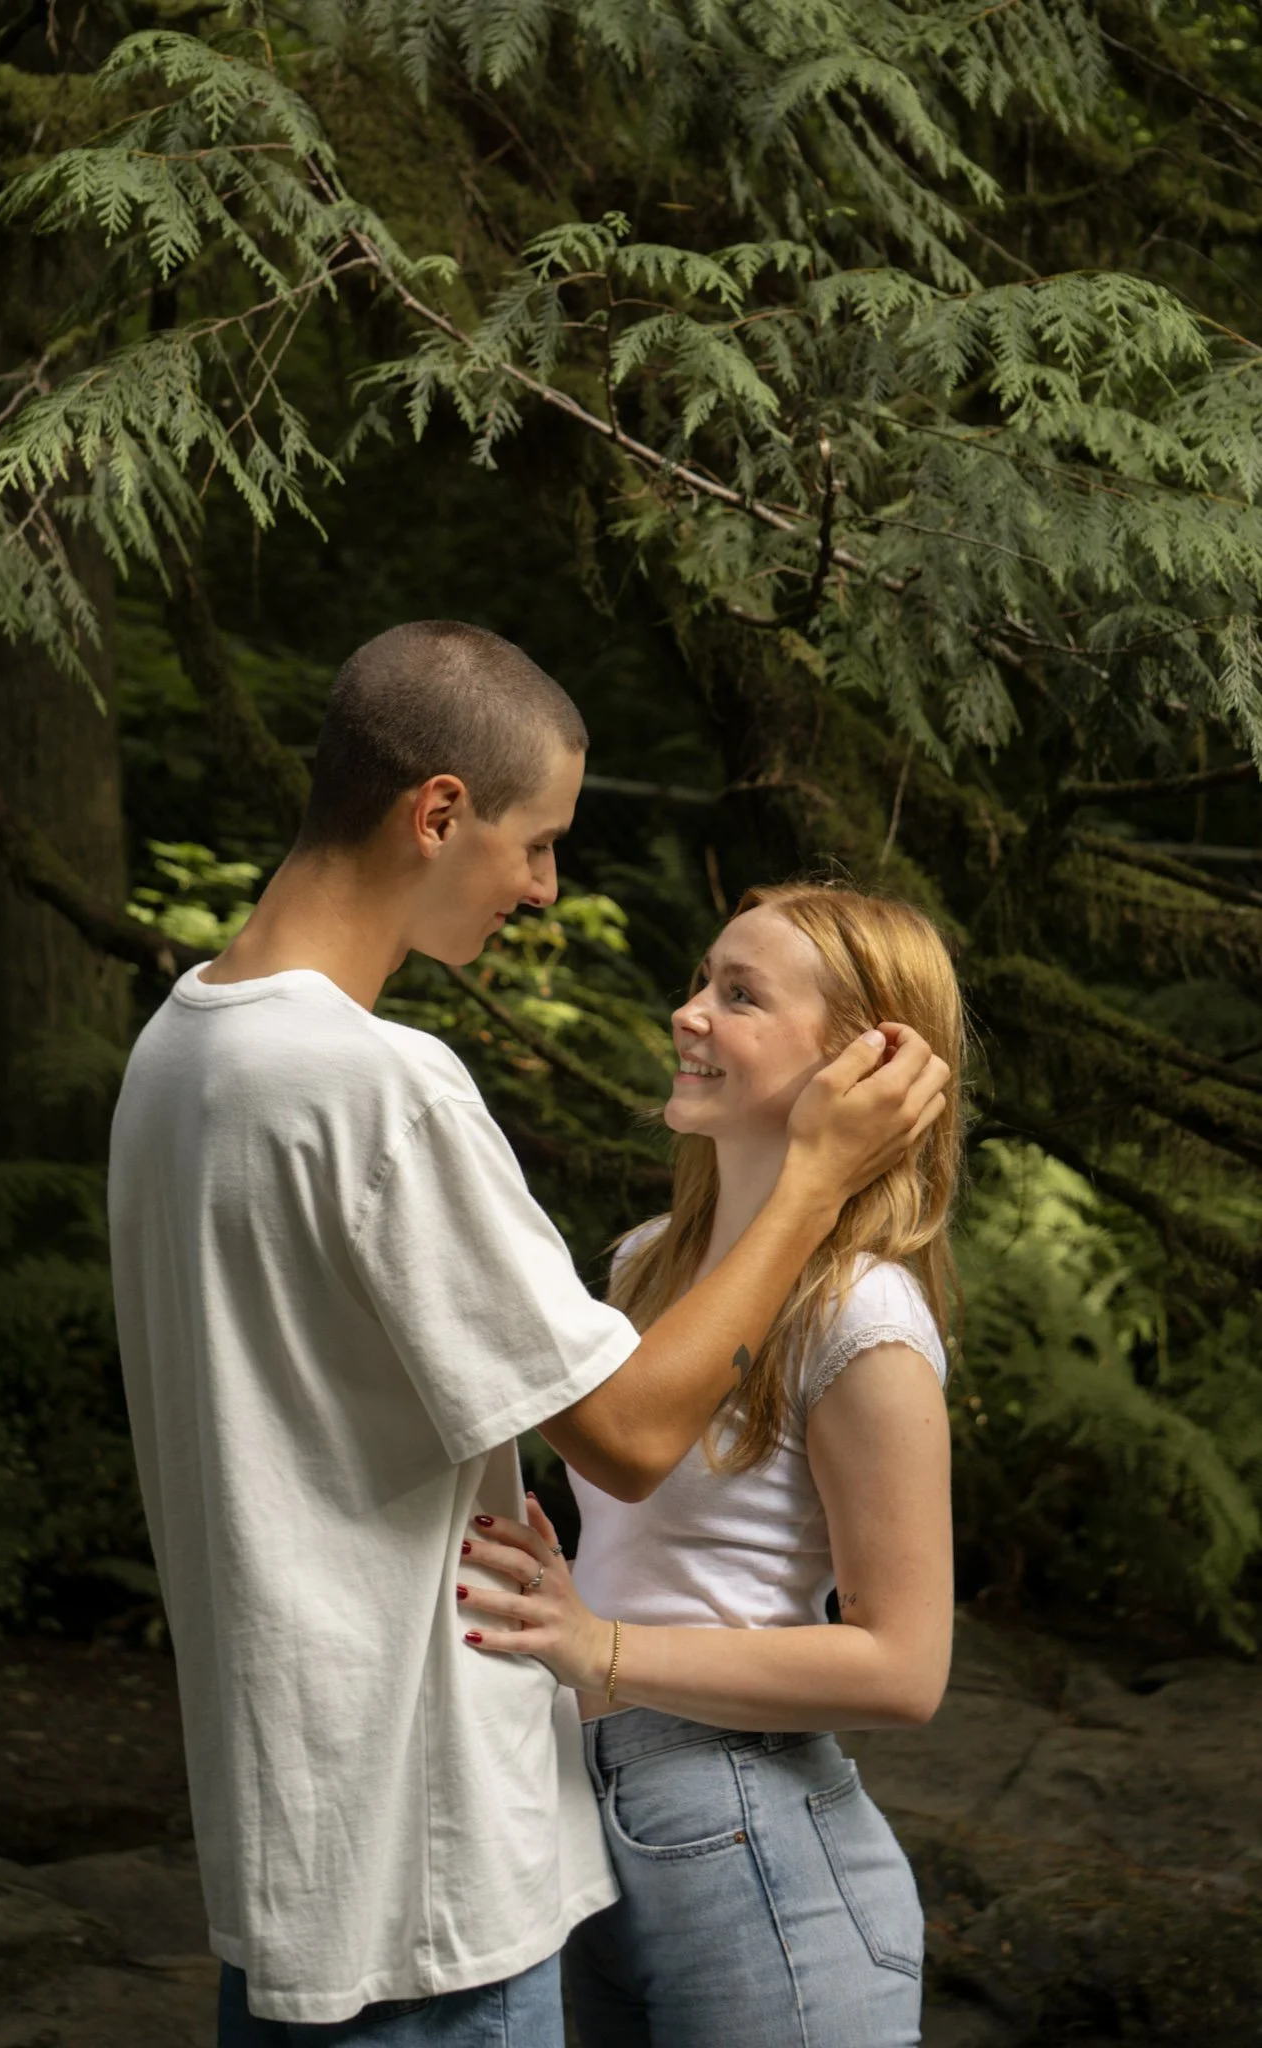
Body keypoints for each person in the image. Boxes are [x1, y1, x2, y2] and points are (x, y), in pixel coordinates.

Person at [107, 622, 949, 2047]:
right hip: (424, 1870)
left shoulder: (183, 1051)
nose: (546, 889)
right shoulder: (384, 1090)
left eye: (741, 993)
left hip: (307, 1847)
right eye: (537, 841)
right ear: (437, 813)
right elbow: (622, 1435)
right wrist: (811, 1175)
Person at [456, 880, 963, 2048]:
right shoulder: (642, 1264)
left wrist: (605, 1646)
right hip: (591, 1814)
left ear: (861, 1064)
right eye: (702, 981)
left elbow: (906, 1665)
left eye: (740, 995)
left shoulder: (861, 1309)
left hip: (759, 1838)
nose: (689, 1013)